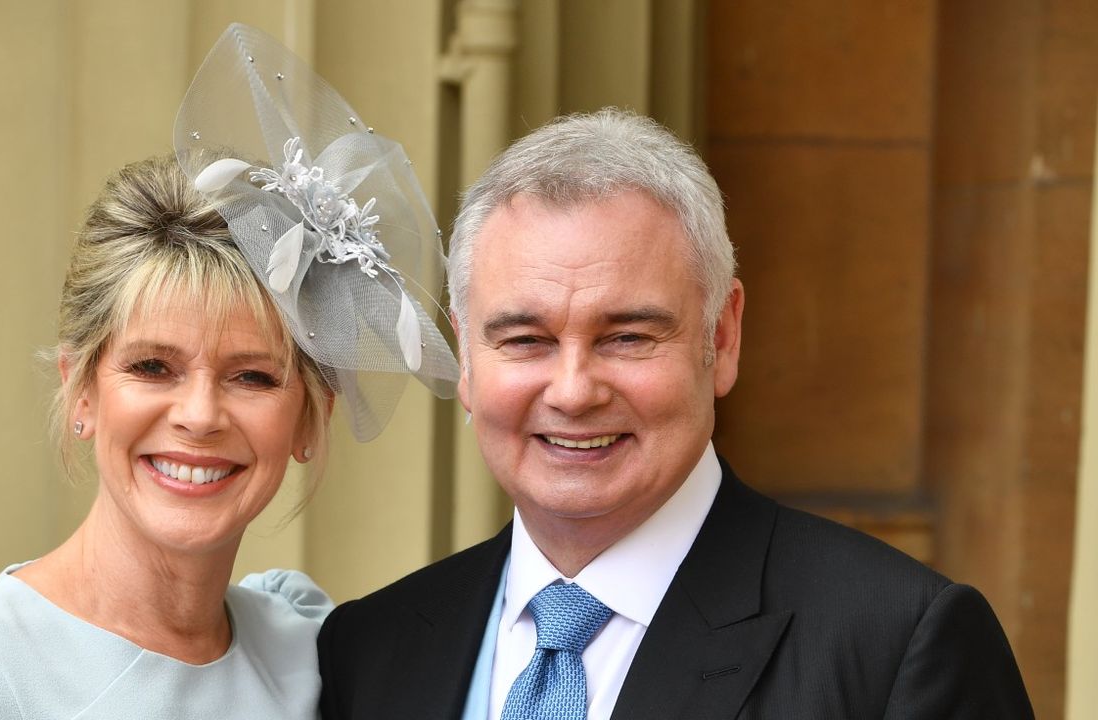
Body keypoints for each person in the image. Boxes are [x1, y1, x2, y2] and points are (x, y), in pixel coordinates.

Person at [316, 109, 1034, 719]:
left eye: (627, 336)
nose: (572, 391)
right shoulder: (370, 650)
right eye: (525, 340)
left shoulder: (895, 646)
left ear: (721, 338)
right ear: (465, 359)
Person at [0, 24, 457, 720]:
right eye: (153, 367)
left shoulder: (307, 652)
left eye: (252, 377)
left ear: (312, 415)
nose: (198, 414)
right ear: (83, 389)